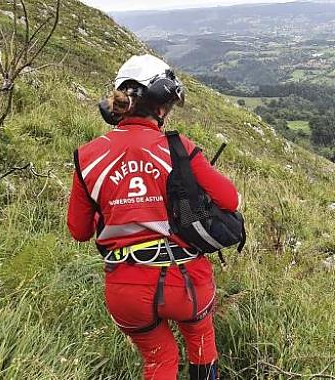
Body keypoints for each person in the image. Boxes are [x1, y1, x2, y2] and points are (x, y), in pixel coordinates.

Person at [67, 54, 238, 380]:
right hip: (186, 281)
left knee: (159, 358)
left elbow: (78, 230)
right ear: (161, 104)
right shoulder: (178, 148)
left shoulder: (86, 157)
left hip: (125, 288)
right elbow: (229, 199)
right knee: (200, 338)